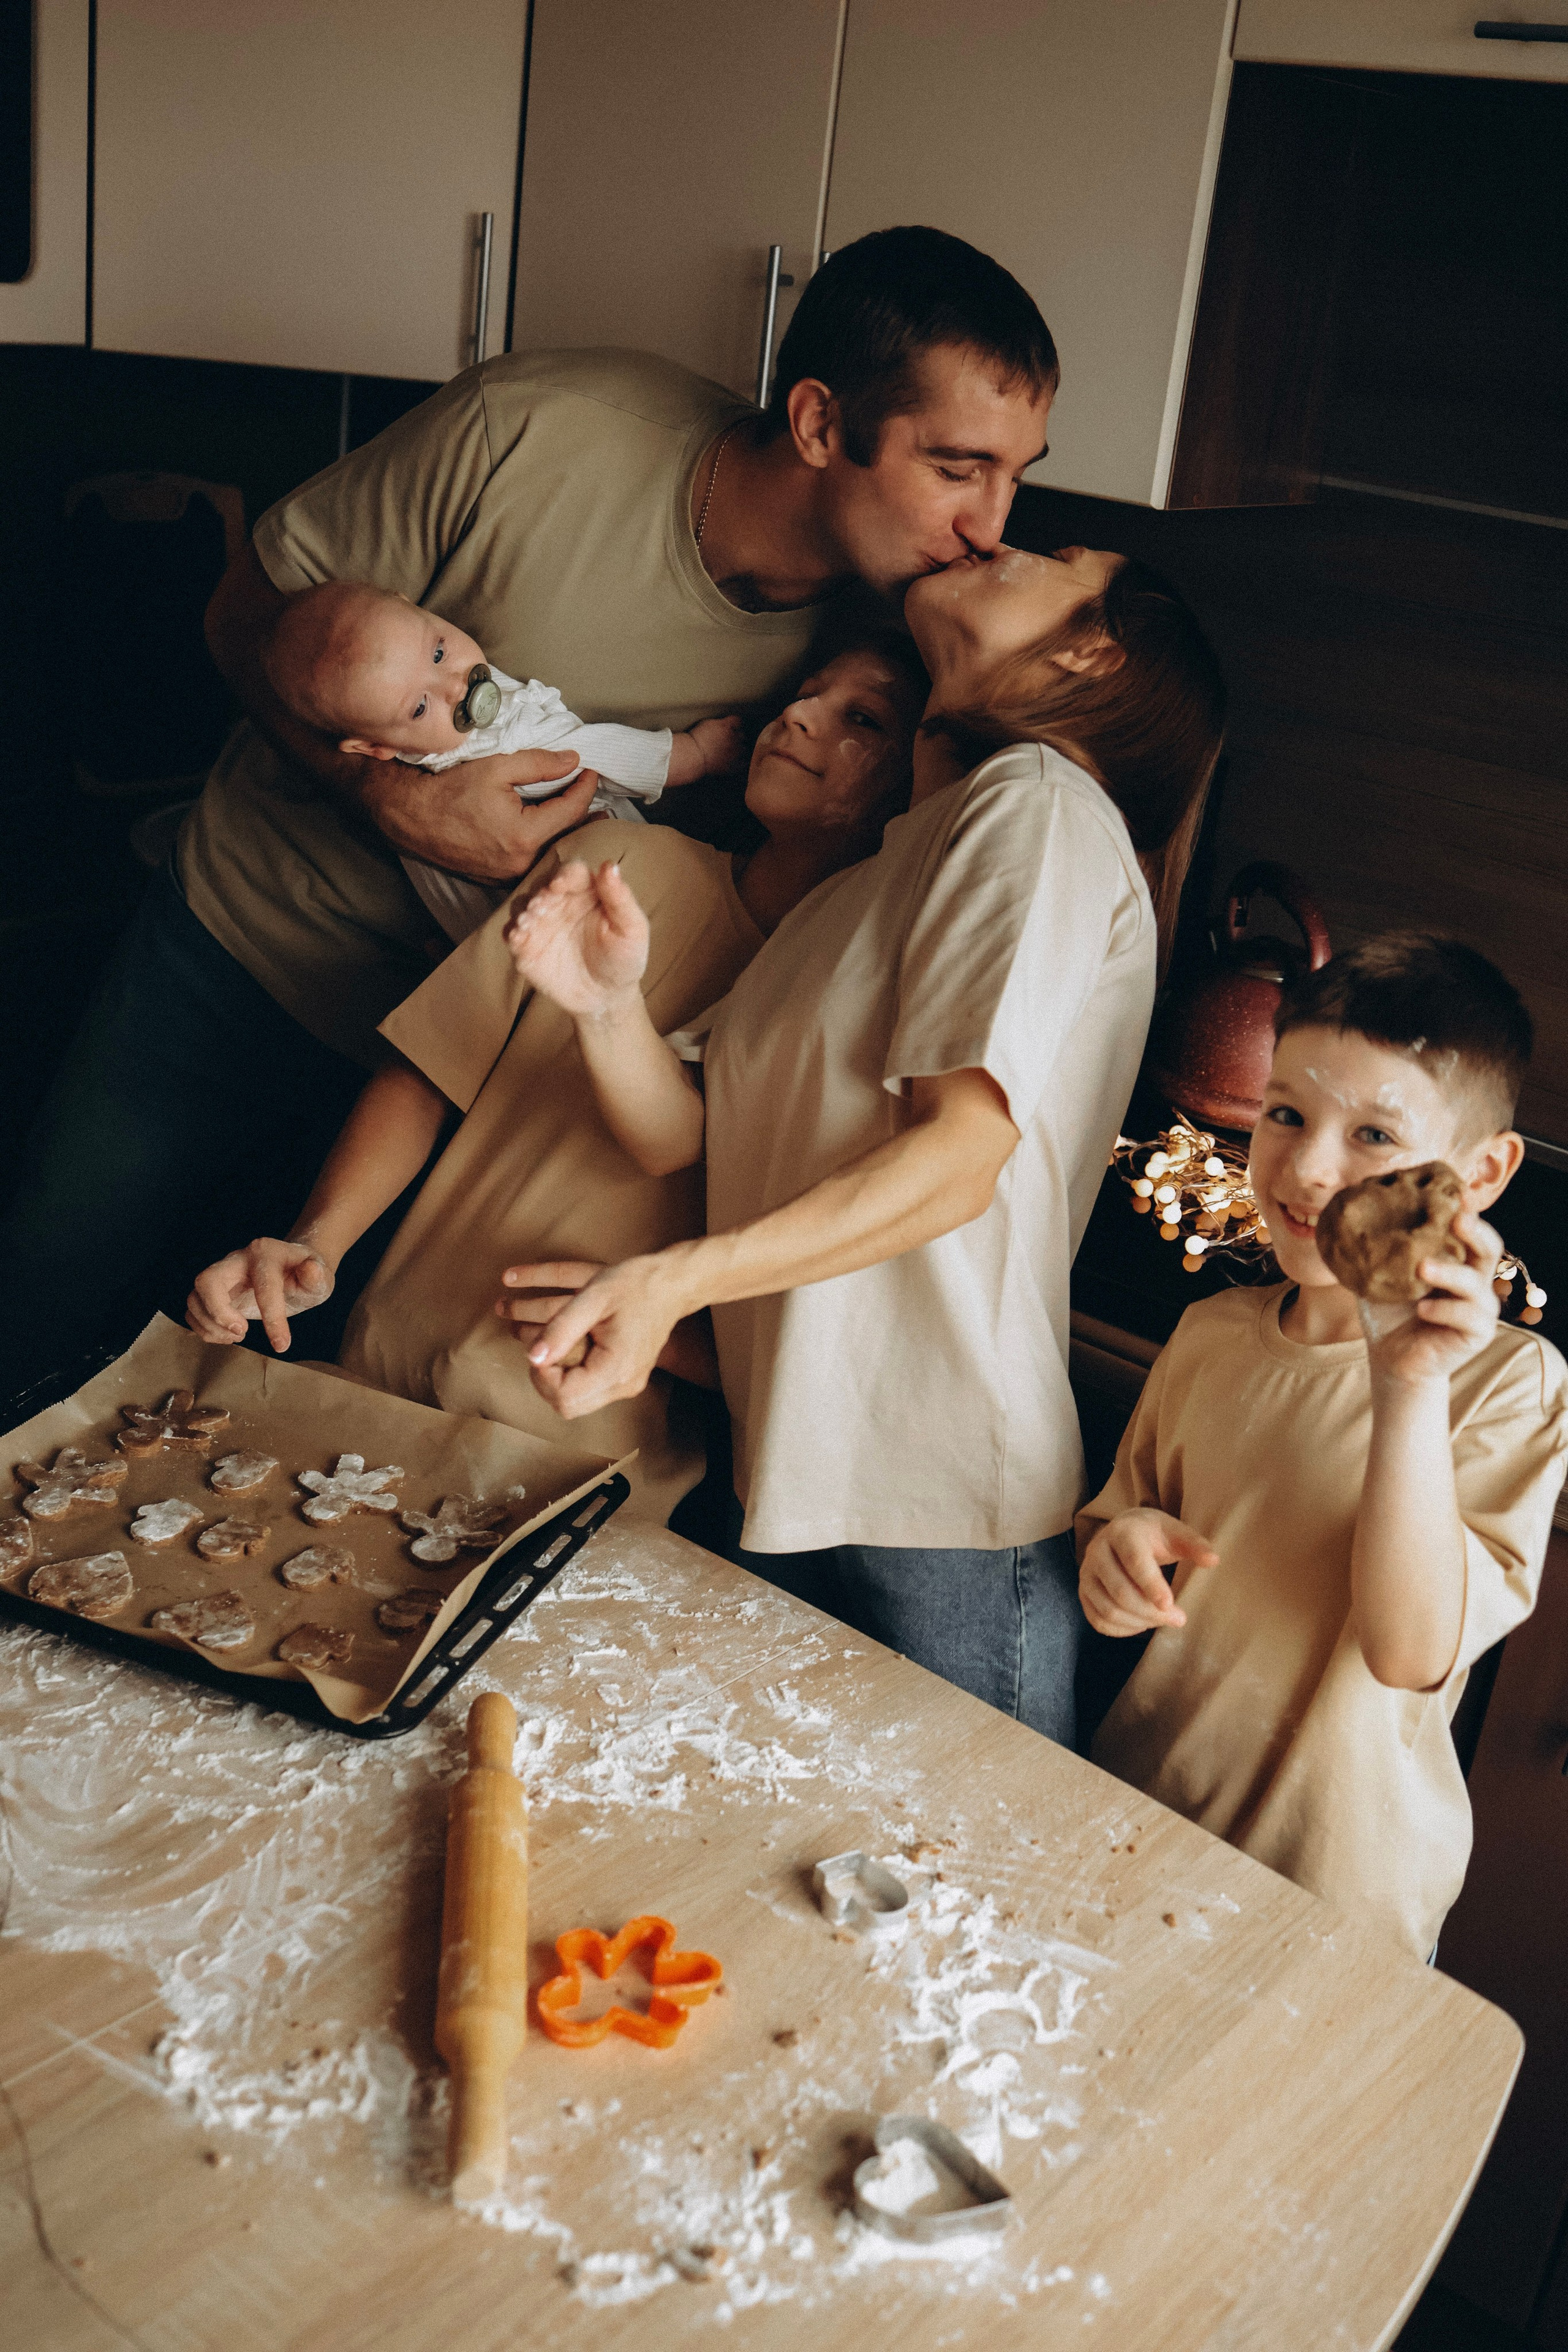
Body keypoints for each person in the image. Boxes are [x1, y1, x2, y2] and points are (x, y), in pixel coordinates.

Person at [0, 225, 1057, 1395]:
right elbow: (242, 615)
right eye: (958, 468)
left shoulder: (877, 645)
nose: (992, 524)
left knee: (262, 1412)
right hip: (241, 951)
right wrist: (386, 796)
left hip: (470, 1073)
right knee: (45, 1318)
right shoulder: (541, 431)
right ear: (817, 424)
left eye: (1017, 474)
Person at [504, 544, 1226, 1743]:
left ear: (1093, 649)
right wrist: (600, 1002)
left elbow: (957, 1158)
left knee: (967, 1891)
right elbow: (684, 1139)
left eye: (1050, 559)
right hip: (789, 1464)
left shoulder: (1038, 806)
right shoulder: (880, 872)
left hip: (936, 1494)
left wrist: (669, 1281)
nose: (1000, 541)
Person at [184, 631, 929, 1525]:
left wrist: (654, 1322)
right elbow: (427, 1070)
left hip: (577, 1464)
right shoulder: (617, 862)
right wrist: (319, 1243)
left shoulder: (858, 1004)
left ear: (921, 785)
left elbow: (823, 1332)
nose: (801, 714)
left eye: (863, 719)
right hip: (377, 1375)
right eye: (809, 691)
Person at [1077, 935, 1567, 1959]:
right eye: (1286, 1113)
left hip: (1336, 1899)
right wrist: (1114, 1555)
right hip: (1142, 1813)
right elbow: (1118, 1519)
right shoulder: (1211, 1335)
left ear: (1478, 1174)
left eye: (1375, 1135)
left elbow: (1408, 1646)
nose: (1306, 1167)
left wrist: (1406, 1380)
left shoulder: (1505, 1386)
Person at [262, 579, 746, 943]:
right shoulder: (500, 743)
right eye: (418, 707)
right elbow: (597, 754)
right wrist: (697, 754)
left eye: (437, 650)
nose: (455, 686)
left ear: (415, 607)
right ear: (374, 750)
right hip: (590, 911)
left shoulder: (420, 754)